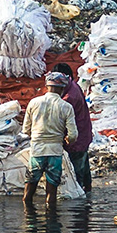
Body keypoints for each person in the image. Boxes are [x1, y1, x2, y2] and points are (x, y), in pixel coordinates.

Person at [22, 77, 81, 208]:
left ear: (46, 86)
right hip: (55, 152)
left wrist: (36, 136)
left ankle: (29, 222)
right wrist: (68, 139)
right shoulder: (66, 107)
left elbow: (26, 129)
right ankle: (51, 223)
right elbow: (73, 135)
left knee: (29, 189)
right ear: (62, 89)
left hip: (37, 151)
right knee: (52, 192)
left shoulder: (34, 103)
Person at [55, 68, 95, 195]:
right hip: (84, 133)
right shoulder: (73, 86)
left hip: (77, 139)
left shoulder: (68, 99)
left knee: (76, 169)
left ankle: (79, 195)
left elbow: (66, 125)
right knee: (84, 165)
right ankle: (88, 191)